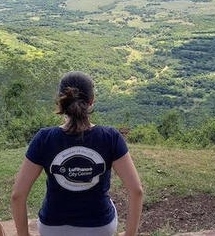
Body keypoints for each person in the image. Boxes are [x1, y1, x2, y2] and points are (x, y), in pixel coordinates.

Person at [11, 71, 144, 236]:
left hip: (52, 228)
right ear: (92, 101)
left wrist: (24, 234)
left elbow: (17, 195)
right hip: (100, 227)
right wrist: (129, 234)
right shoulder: (110, 137)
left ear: (61, 101)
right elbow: (136, 190)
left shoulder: (44, 138)